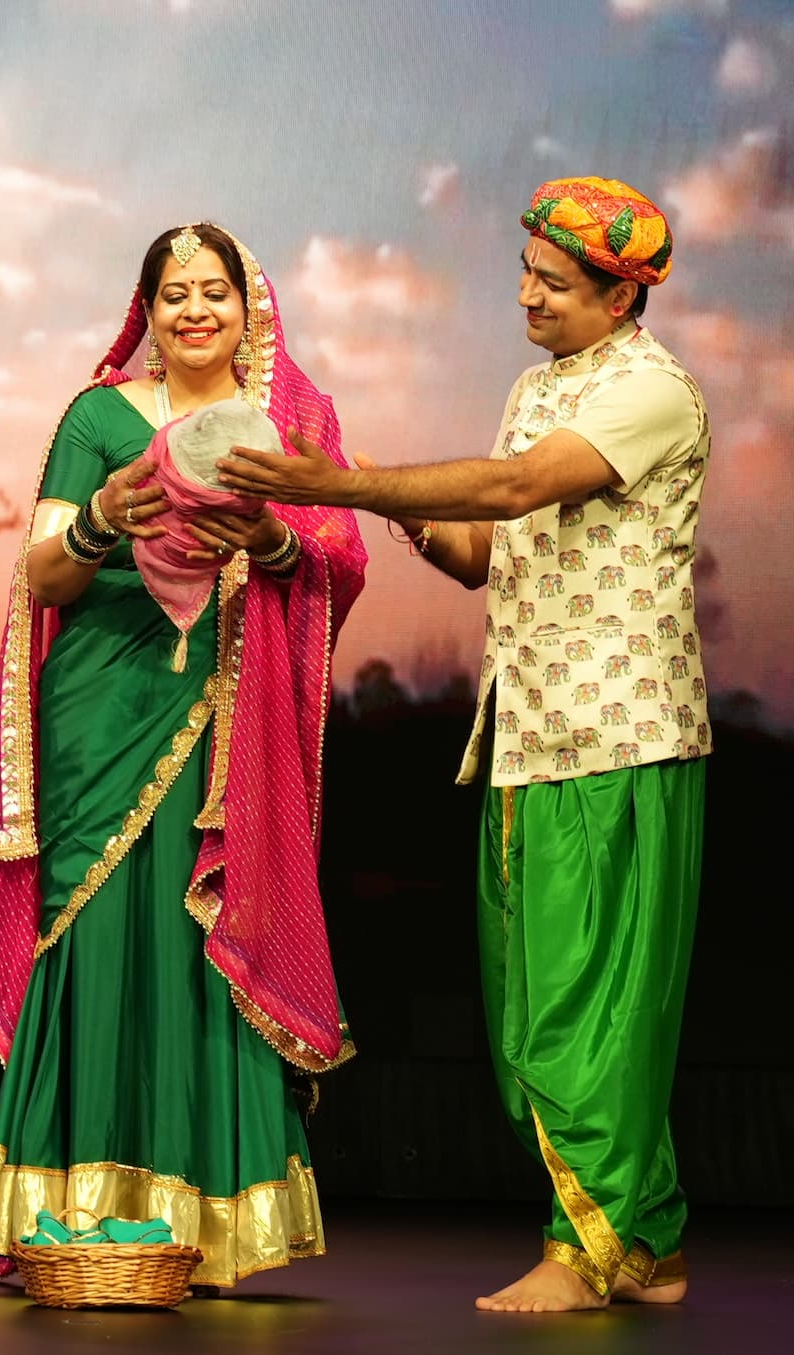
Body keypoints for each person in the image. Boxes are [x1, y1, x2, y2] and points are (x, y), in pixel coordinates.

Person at [218, 178, 711, 1313]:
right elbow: (488, 547)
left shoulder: (652, 390)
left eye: (554, 282)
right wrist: (378, 505)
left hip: (618, 735)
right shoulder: (536, 388)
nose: (527, 294)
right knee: (536, 998)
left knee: (583, 1003)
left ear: (620, 297)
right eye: (527, 272)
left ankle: (583, 1252)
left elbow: (518, 485)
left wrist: (338, 481)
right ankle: (650, 1239)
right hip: (529, 731)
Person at [0, 222, 366, 1289]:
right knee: (95, 934)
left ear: (250, 311)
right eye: (174, 293)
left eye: (215, 291)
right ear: (148, 312)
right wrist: (103, 518)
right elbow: (42, 574)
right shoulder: (98, 416)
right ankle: (67, 1214)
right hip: (99, 710)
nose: (195, 310)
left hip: (225, 717)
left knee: (206, 935)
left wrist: (273, 541)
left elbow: (337, 557)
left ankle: (212, 1221)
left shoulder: (288, 428)